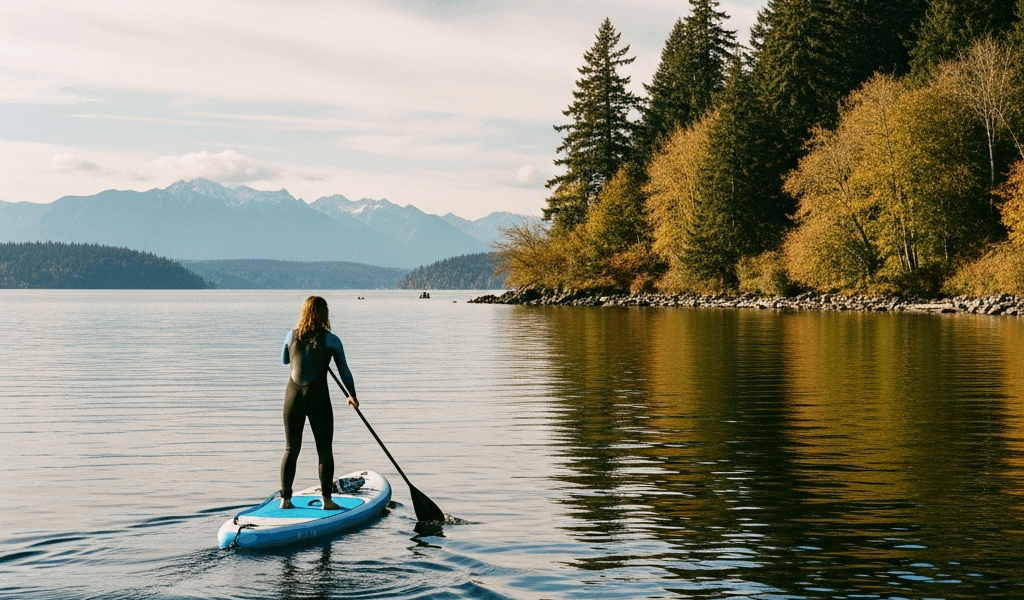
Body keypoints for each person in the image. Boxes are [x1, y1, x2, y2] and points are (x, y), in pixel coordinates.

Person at [280, 296, 359, 510]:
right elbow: (345, 372)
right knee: (324, 450)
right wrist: (352, 395)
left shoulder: (290, 335)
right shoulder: (332, 340)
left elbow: (285, 360)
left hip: (292, 398)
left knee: (290, 449)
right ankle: (327, 501)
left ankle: (285, 500)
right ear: (325, 314)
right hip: (318, 399)